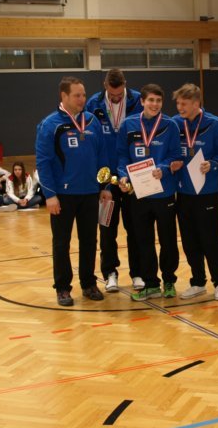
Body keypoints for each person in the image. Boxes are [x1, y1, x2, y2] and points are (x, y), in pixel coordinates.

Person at [36, 76, 111, 306]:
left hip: (90, 193)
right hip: (63, 196)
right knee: (61, 243)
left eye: (84, 95)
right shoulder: (50, 125)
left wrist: (104, 186)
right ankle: (62, 288)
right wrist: (50, 195)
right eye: (77, 95)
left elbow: (102, 156)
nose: (82, 99)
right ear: (64, 96)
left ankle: (89, 283)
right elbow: (43, 162)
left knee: (89, 241)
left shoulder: (92, 121)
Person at [117, 84, 182, 301]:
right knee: (143, 240)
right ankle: (151, 284)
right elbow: (122, 156)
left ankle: (169, 281)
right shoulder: (128, 125)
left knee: (168, 240)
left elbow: (175, 155)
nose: (155, 104)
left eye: (158, 100)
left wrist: (163, 168)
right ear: (142, 101)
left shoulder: (170, 125)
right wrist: (123, 176)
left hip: (164, 193)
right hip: (139, 194)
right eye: (151, 100)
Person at [85, 68, 144, 291]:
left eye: (120, 94)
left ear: (125, 85)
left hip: (132, 175)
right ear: (105, 86)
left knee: (135, 227)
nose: (116, 98)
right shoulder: (94, 104)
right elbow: (91, 142)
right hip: (107, 178)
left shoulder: (138, 101)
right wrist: (101, 181)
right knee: (107, 228)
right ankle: (110, 273)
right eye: (112, 94)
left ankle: (137, 273)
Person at [172, 83, 218, 301]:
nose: (180, 107)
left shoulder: (214, 123)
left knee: (212, 239)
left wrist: (212, 164)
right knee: (189, 240)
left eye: (184, 104)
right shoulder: (175, 123)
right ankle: (197, 281)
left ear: (196, 103)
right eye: (178, 103)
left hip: (208, 192)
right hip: (183, 192)